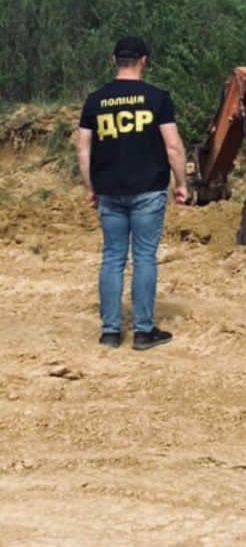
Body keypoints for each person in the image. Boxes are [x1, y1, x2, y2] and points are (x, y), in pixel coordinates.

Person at [75, 36, 189, 350]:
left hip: (109, 191)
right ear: (144, 60)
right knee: (143, 258)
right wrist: (181, 183)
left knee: (112, 258)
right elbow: (173, 146)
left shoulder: (95, 100)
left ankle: (110, 331)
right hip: (148, 191)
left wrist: (90, 188)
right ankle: (143, 331)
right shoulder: (157, 98)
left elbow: (83, 150)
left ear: (114, 61)